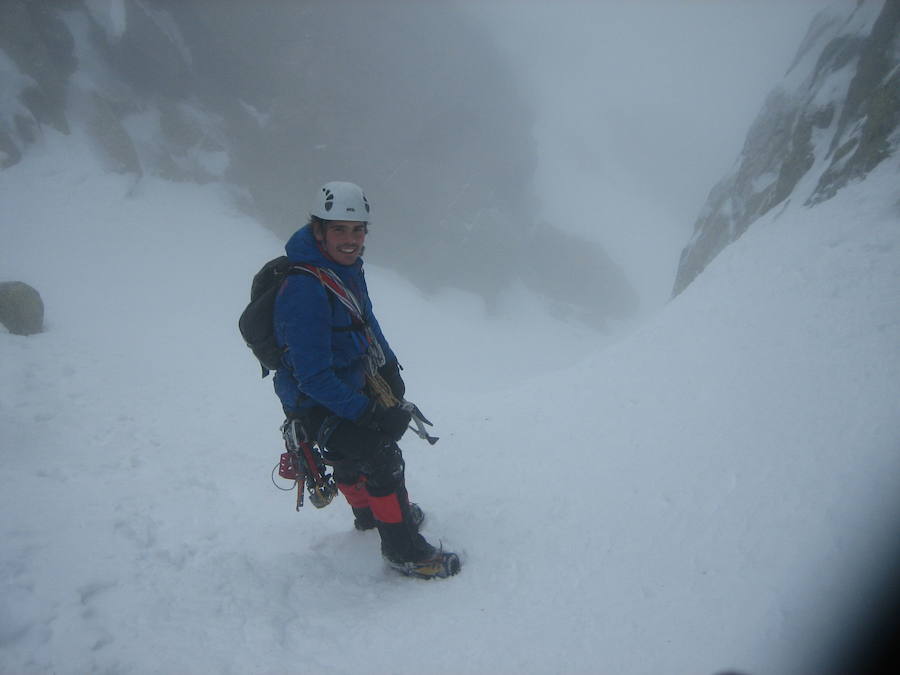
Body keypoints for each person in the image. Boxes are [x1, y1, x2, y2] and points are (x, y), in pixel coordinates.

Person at [272, 181, 460, 579]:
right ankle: (404, 550)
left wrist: (389, 367)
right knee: (380, 453)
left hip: (347, 381)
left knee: (353, 454)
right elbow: (313, 378)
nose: (350, 239)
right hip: (314, 401)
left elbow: (366, 319)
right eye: (339, 229)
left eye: (358, 230)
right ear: (319, 231)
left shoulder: (344, 270)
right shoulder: (305, 289)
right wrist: (370, 413)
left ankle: (371, 514)